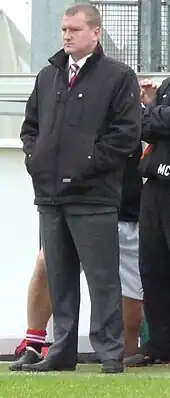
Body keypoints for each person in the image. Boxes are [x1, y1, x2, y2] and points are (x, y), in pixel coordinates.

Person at [15, 4, 141, 374]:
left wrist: (83, 168)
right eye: (63, 30)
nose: (66, 36)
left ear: (95, 32)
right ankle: (62, 351)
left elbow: (125, 136)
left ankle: (109, 353)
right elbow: (30, 128)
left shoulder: (118, 77)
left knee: (102, 277)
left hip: (94, 196)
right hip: (51, 198)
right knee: (59, 275)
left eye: (74, 29)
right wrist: (36, 162)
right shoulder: (48, 76)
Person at [9, 142, 143, 371]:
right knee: (46, 264)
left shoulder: (140, 111)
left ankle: (118, 358)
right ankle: (33, 344)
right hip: (83, 203)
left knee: (129, 327)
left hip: (130, 213)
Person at [124, 77, 170, 367]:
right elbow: (149, 127)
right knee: (153, 268)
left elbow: (155, 122)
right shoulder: (167, 85)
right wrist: (151, 108)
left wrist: (144, 113)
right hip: (155, 185)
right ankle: (160, 345)